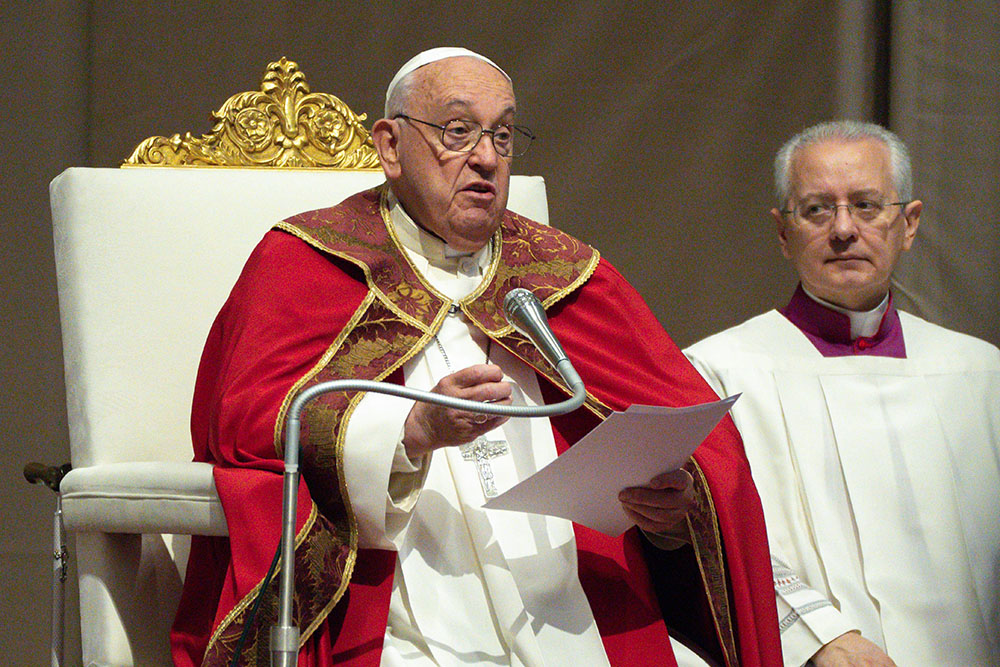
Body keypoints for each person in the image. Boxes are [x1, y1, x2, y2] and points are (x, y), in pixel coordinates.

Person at [171, 47, 781, 667]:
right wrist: (409, 431)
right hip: (393, 614)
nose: (486, 158)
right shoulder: (308, 260)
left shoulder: (566, 273)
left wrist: (669, 521)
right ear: (389, 146)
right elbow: (251, 419)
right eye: (458, 132)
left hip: (574, 608)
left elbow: (700, 452)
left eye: (504, 135)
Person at [684, 120, 1000, 666]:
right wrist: (819, 634)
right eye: (816, 209)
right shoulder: (715, 372)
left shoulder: (981, 372)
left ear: (909, 223)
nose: (843, 229)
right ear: (783, 233)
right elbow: (712, 531)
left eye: (868, 205)